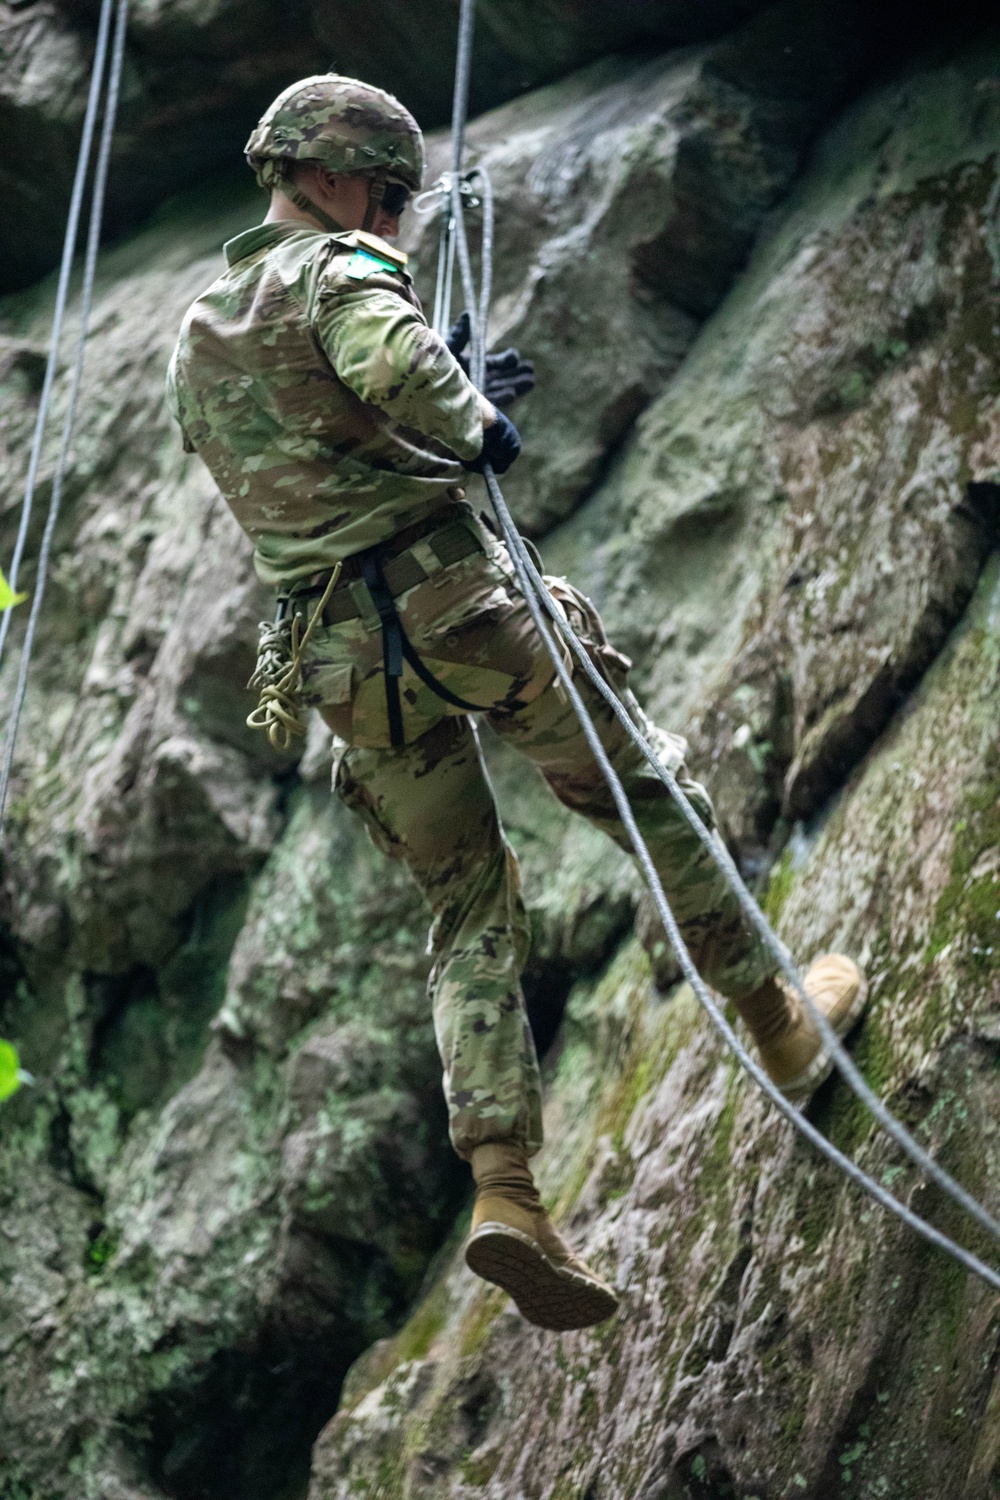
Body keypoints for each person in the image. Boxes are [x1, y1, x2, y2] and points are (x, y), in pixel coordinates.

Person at [167, 73, 868, 1334]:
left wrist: (429, 415)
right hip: (455, 609)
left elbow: (298, 447)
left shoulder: (201, 326)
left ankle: (506, 1192)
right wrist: (476, 418)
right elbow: (389, 358)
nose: (389, 221)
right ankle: (777, 1028)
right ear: (329, 179)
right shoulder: (336, 271)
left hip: (341, 664)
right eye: (383, 196)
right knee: (640, 794)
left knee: (466, 910)